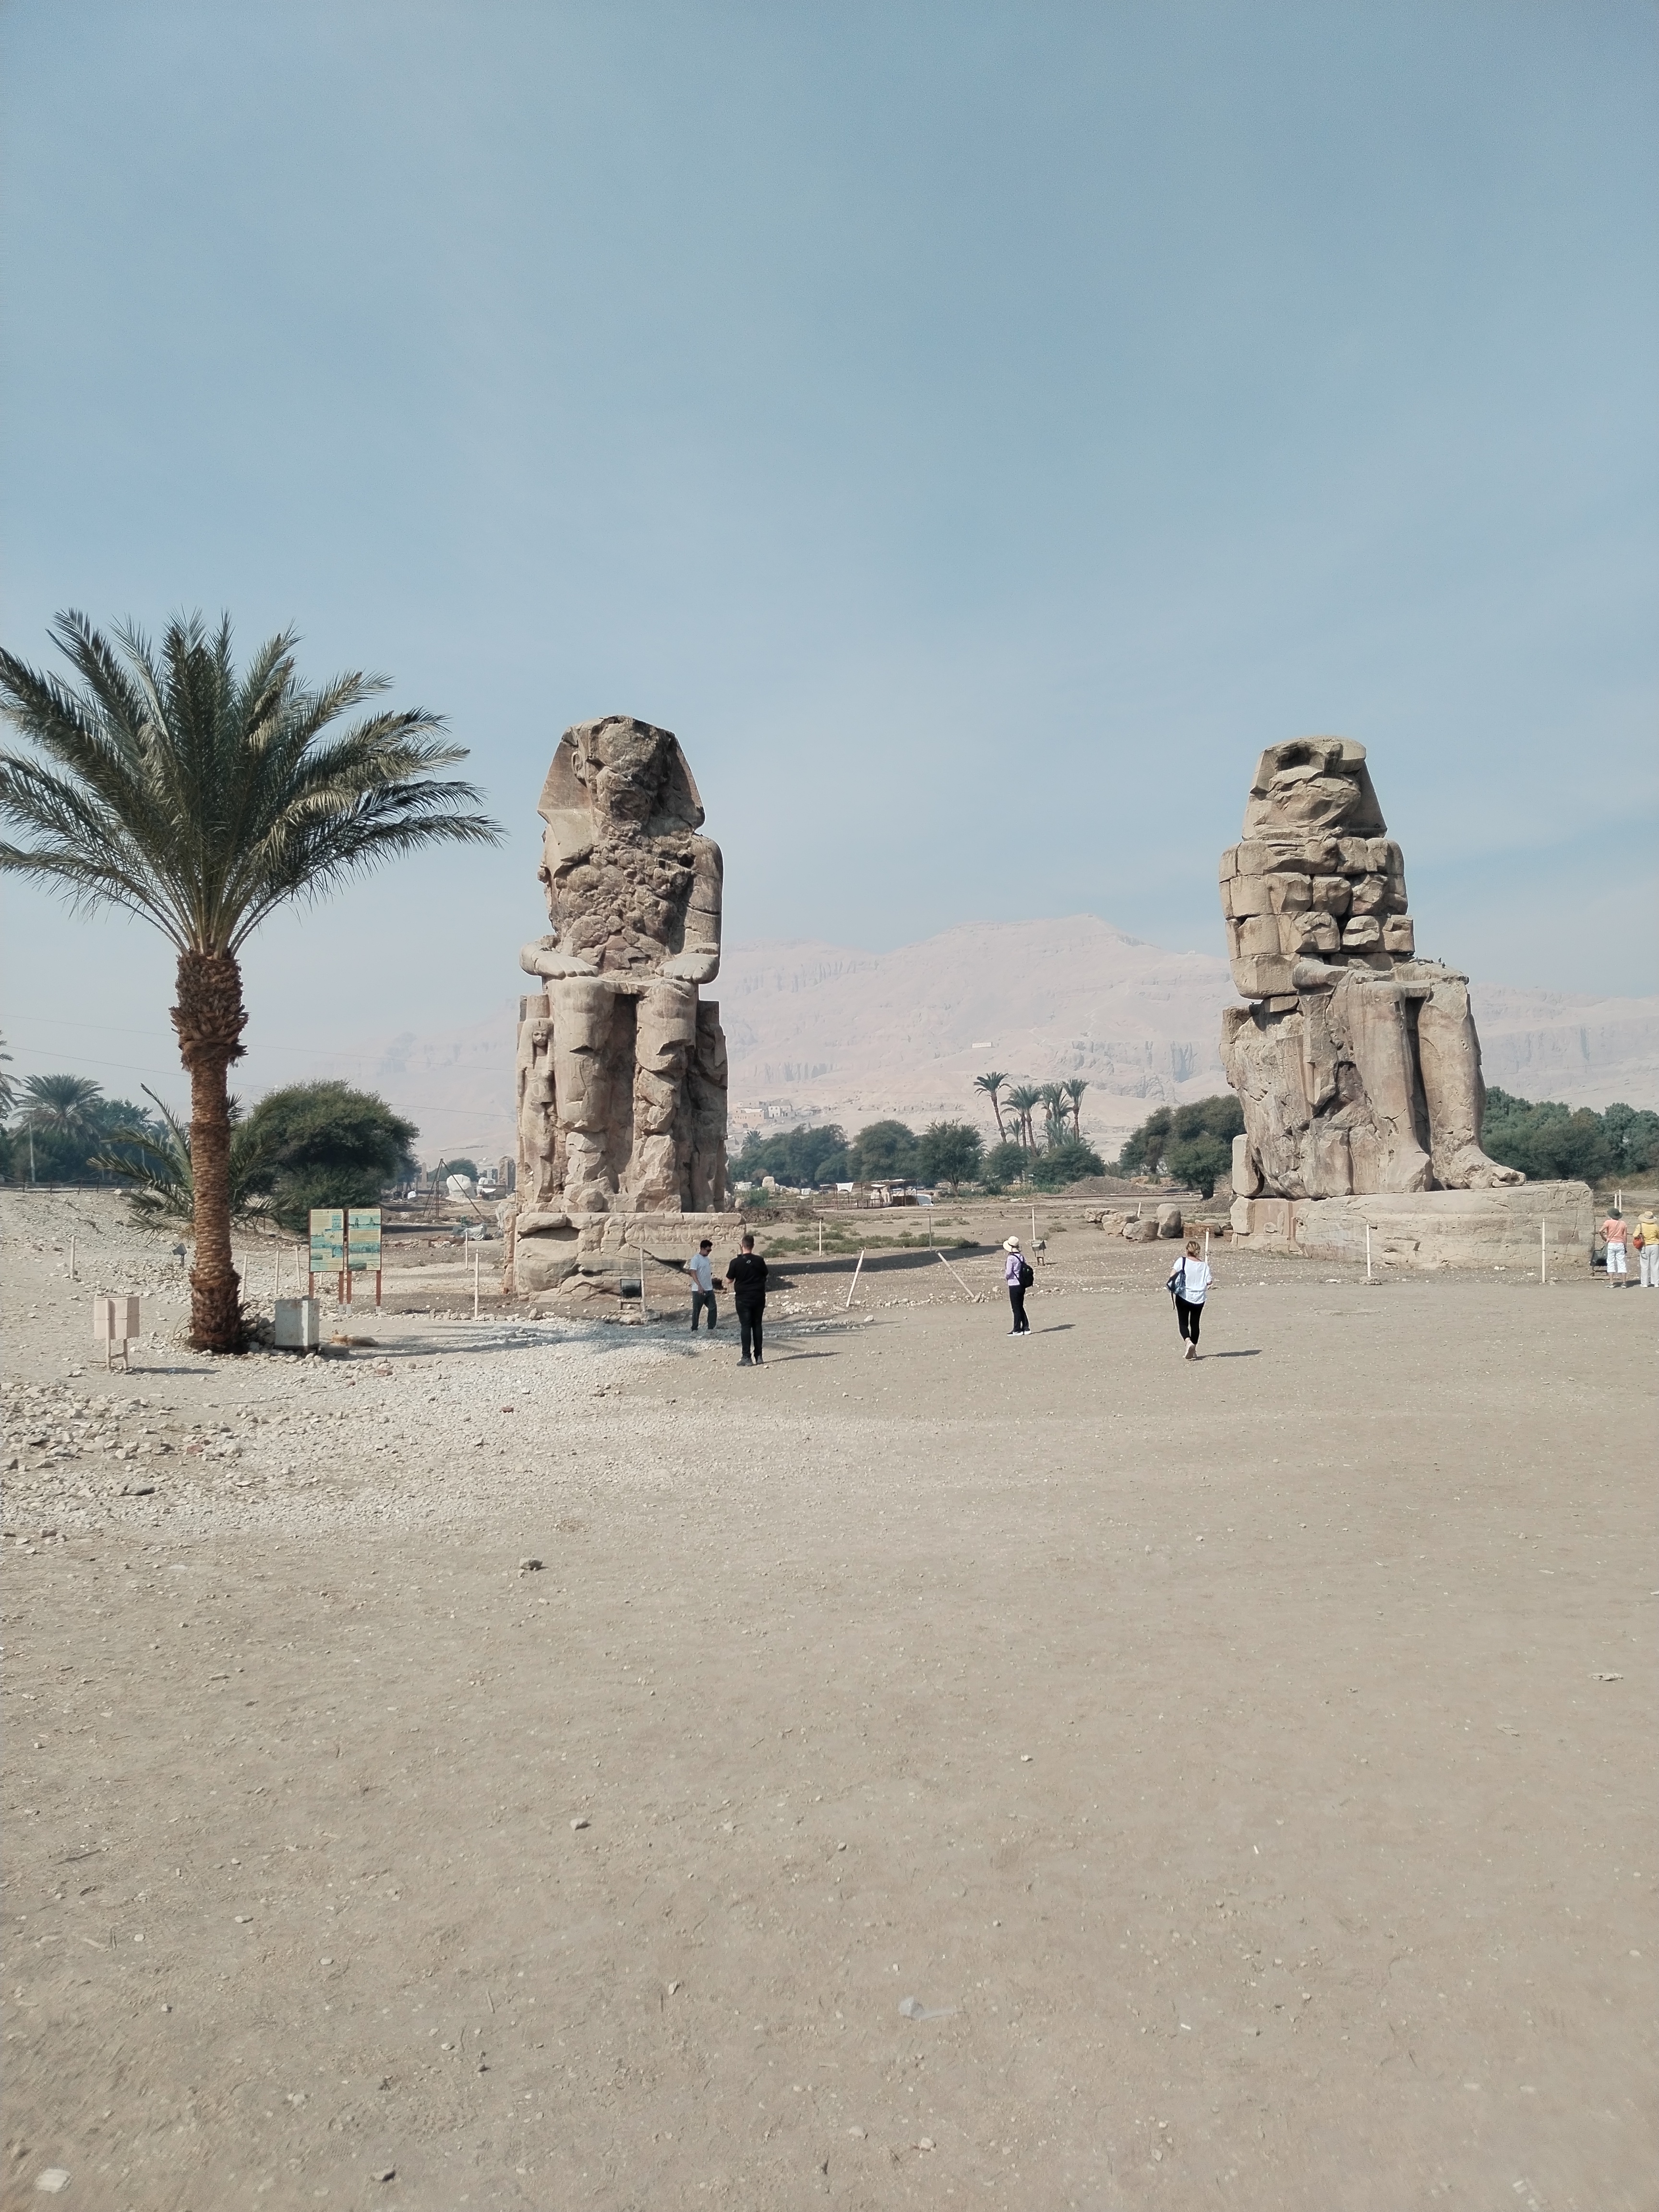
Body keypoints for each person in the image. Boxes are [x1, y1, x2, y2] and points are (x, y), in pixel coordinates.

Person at [726, 1234, 769, 1365]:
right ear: (753, 1246)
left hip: (743, 1298)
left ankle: (746, 1357)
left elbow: (729, 1280)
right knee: (757, 1325)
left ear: (742, 1246)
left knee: (745, 1326)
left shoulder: (735, 1262)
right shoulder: (759, 1260)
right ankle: (759, 1356)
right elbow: (765, 1274)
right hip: (758, 1296)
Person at [1168, 1238, 1212, 1359]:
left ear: (1187, 1250)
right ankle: (1194, 1349)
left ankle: (1188, 1342)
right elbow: (1209, 1282)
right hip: (1199, 1299)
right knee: (1195, 1324)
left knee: (1183, 1323)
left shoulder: (1182, 1261)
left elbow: (1172, 1275)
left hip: (1184, 1296)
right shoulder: (1204, 1266)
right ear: (1198, 1251)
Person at [1002, 1236, 1031, 1335]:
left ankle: (1017, 1329)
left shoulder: (1011, 1258)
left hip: (1014, 1284)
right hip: (1022, 1284)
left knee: (1015, 1308)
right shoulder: (1021, 1257)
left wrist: (1006, 1277)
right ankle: (1026, 1328)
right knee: (1020, 1306)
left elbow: (1009, 1272)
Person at [687, 1238, 717, 1332]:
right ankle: (694, 1329)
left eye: (710, 1251)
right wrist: (699, 1285)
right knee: (697, 1310)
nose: (709, 1252)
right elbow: (693, 1272)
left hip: (709, 1288)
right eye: (708, 1250)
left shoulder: (708, 1259)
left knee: (713, 1308)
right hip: (698, 1290)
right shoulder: (696, 1259)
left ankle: (711, 1328)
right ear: (703, 1249)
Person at [1601, 1208, 1628, 1287]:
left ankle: (1611, 1283)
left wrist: (1604, 1238)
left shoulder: (1608, 1222)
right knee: (1622, 1263)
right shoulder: (1623, 1223)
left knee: (1610, 1262)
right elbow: (1625, 1236)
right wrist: (1625, 1246)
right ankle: (1624, 1283)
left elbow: (1600, 1231)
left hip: (1611, 1243)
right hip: (1620, 1244)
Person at [1637, 1208, 1659, 1289]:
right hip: (1655, 1246)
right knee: (1655, 1264)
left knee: (1644, 1265)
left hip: (1645, 1246)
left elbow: (1635, 1235)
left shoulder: (1640, 1226)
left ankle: (1645, 1283)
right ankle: (1656, 1283)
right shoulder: (1656, 1226)